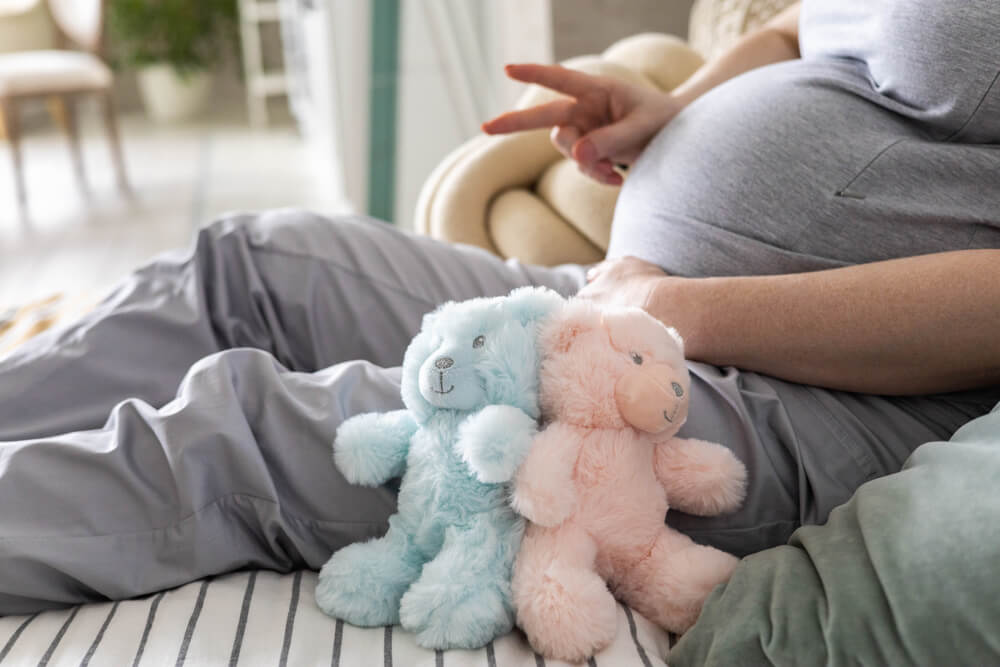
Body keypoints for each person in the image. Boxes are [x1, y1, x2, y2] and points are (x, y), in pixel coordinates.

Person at [1, 0, 998, 616]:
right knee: (254, 264)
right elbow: (798, 22)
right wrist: (675, 110)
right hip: (625, 305)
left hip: (807, 390)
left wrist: (676, 305)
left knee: (261, 433)